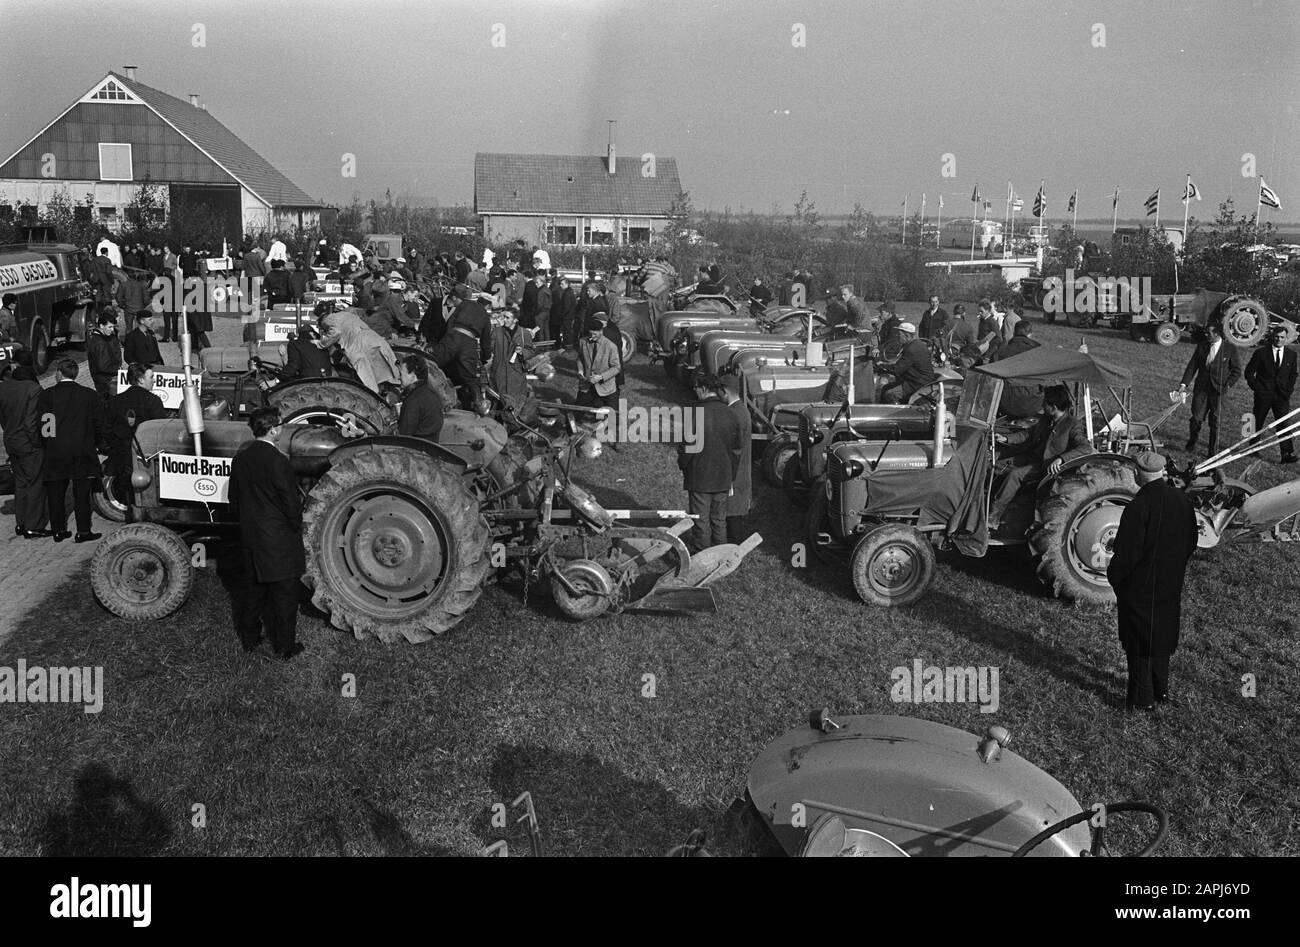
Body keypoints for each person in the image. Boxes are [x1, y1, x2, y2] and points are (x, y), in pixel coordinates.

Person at [1106, 451, 1198, 711]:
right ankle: (1161, 690)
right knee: (1162, 639)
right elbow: (1191, 540)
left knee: (1139, 644)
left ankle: (1141, 699)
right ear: (1161, 473)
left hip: (1140, 586)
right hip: (1171, 582)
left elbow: (1128, 553)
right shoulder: (1182, 500)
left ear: (1137, 473)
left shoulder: (1138, 506)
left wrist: (1116, 578)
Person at [227, 408, 305, 659]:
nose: (281, 428)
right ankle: (284, 647)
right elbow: (290, 503)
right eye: (280, 425)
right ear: (273, 430)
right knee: (284, 596)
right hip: (278, 539)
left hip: (250, 535)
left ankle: (250, 639)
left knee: (253, 591)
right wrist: (295, 526)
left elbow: (234, 499)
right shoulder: (279, 461)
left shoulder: (241, 460)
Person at [987, 385, 1092, 530]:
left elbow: (1085, 448)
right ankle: (984, 503)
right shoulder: (1046, 419)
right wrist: (1006, 438)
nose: (1042, 406)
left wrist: (1061, 458)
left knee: (1014, 475)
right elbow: (1027, 434)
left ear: (1053, 407)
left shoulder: (1072, 425)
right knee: (995, 465)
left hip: (1045, 467)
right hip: (1031, 458)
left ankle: (994, 517)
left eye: (1045, 404)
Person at [39, 358, 105, 543]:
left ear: (59, 373)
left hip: (56, 450)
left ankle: (58, 530)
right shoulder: (89, 395)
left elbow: (45, 424)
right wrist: (95, 442)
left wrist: (50, 442)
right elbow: (98, 423)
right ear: (75, 374)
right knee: (82, 493)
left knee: (56, 494)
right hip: (82, 449)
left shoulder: (47, 395)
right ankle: (83, 531)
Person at [678, 373, 744, 552]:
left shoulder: (695, 413)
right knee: (719, 519)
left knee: (700, 519)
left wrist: (683, 464)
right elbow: (737, 449)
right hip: (724, 476)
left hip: (700, 476)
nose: (695, 391)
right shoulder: (732, 413)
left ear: (704, 389)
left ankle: (702, 554)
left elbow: (687, 447)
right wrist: (731, 473)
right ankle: (720, 554)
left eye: (696, 388)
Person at [0, 353, 50, 537]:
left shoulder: (4, 387)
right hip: (29, 443)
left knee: (20, 483)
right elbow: (32, 422)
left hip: (11, 440)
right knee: (36, 484)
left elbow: (3, 418)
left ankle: (21, 523)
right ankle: (33, 525)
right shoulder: (34, 389)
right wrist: (38, 442)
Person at [106, 363, 166, 508]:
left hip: (122, 456)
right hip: (146, 458)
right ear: (140, 380)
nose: (154, 380)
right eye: (151, 377)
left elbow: (107, 429)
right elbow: (159, 432)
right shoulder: (154, 401)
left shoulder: (115, 401)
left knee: (128, 496)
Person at [1179, 320, 1242, 456]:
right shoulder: (1202, 347)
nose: (1206, 335)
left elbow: (1237, 371)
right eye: (1206, 332)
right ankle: (1192, 441)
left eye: (1209, 333)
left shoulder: (1230, 349)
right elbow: (1192, 366)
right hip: (1201, 389)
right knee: (1196, 418)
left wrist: (1228, 385)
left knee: (1215, 422)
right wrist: (1184, 385)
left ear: (1217, 333)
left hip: (1218, 392)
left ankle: (1212, 452)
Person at [318, 303, 401, 394]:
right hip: (374, 339)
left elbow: (336, 333)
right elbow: (340, 344)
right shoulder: (347, 315)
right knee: (388, 371)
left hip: (360, 345)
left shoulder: (329, 318)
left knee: (368, 381)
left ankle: (374, 399)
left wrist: (321, 344)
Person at [1244, 326, 1298, 464]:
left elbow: (1293, 374)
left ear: (1286, 339)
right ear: (1272, 336)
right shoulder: (1261, 353)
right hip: (1263, 394)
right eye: (1277, 337)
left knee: (1283, 423)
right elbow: (1249, 372)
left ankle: (1286, 454)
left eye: (1282, 337)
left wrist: (1288, 390)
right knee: (1258, 421)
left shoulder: (1291, 355)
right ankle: (1253, 450)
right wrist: (1257, 388)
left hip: (1282, 396)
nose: (1279, 340)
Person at [722, 376, 752, 544]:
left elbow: (734, 448)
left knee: (732, 513)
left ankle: (734, 547)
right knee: (734, 511)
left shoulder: (735, 413)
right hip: (740, 469)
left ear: (725, 391)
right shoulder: (741, 410)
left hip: (735, 471)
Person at [878, 323, 936, 404]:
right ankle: (881, 411)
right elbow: (902, 363)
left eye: (899, 334)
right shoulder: (917, 344)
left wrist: (881, 366)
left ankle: (896, 414)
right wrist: (885, 365)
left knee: (890, 394)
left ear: (907, 335)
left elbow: (897, 369)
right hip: (916, 379)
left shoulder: (911, 349)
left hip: (917, 382)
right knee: (885, 388)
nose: (898, 336)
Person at [576, 315, 622, 410]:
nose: (592, 337)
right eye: (590, 334)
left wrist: (601, 377)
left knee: (613, 420)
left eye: (595, 334)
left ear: (601, 331)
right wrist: (580, 371)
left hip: (606, 387)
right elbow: (580, 358)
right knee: (577, 413)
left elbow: (616, 367)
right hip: (586, 385)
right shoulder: (583, 342)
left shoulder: (610, 346)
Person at [396, 354, 444, 441]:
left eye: (401, 374)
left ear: (413, 376)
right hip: (431, 446)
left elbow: (403, 436)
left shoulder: (413, 400)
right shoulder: (432, 394)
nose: (399, 378)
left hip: (415, 449)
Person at [85, 312, 123, 403]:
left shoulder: (105, 338)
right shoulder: (99, 343)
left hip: (106, 379)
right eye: (109, 327)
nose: (112, 329)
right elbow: (103, 366)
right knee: (107, 404)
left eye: (113, 327)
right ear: (101, 326)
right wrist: (118, 370)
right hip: (105, 381)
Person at [553, 276, 578, 348]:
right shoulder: (570, 292)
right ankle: (568, 345)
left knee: (566, 332)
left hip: (567, 316)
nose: (561, 286)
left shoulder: (566, 293)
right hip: (570, 315)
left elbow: (567, 307)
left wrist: (562, 314)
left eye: (562, 284)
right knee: (568, 331)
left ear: (567, 284)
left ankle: (568, 346)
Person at [533, 272, 553, 343]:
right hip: (547, 312)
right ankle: (547, 345)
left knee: (540, 330)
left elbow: (539, 304)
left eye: (537, 282)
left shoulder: (540, 292)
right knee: (546, 330)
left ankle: (541, 346)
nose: (536, 284)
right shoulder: (547, 290)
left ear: (542, 282)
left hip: (540, 313)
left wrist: (535, 312)